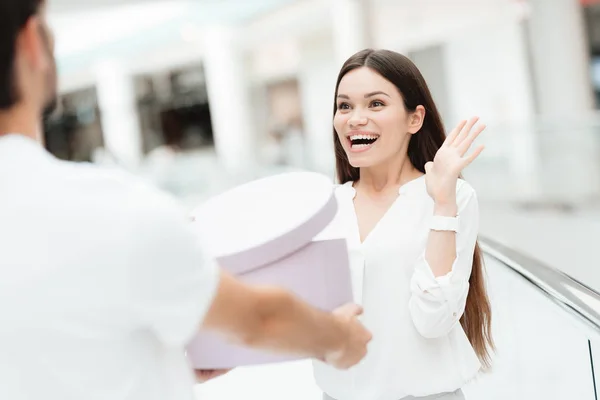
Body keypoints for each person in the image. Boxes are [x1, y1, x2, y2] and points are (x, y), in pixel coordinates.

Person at [0, 1, 372, 399]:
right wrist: (338, 339)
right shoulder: (109, 208)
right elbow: (259, 319)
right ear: (31, 42)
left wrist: (159, 360)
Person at [312, 49, 494, 400]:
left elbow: (435, 319)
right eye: (344, 106)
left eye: (375, 104)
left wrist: (443, 203)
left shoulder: (453, 197)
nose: (354, 119)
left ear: (414, 118)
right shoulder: (325, 207)